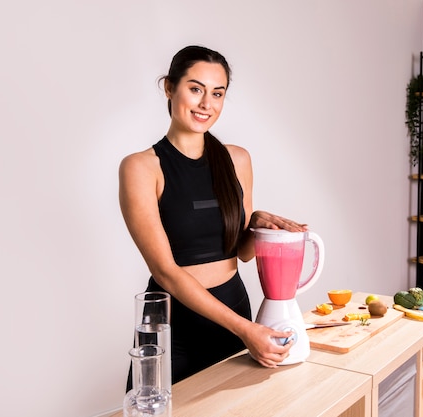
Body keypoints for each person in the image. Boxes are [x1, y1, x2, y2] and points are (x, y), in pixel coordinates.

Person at [119, 45, 307, 386]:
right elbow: (166, 271)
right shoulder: (141, 168)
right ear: (169, 87)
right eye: (195, 89)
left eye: (217, 93)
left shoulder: (237, 159)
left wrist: (258, 223)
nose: (207, 104)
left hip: (232, 305)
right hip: (172, 322)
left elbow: (243, 253)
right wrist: (246, 329)